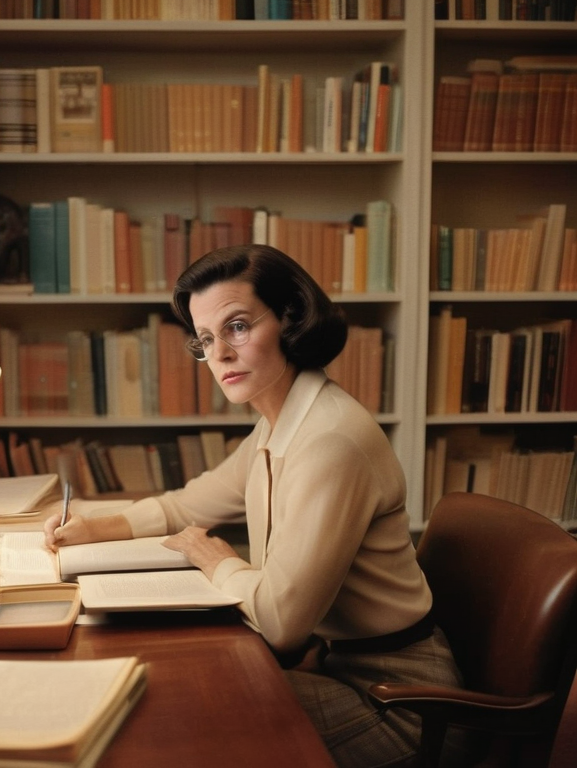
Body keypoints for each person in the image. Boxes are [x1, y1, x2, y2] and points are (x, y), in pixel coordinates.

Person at [44, 244, 463, 768]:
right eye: (204, 339)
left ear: (290, 319)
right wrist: (94, 527)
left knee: (174, 707)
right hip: (342, 669)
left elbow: (282, 622)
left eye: (237, 326)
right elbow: (186, 504)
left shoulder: (329, 438)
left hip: (404, 707)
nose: (218, 354)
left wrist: (217, 559)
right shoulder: (280, 421)